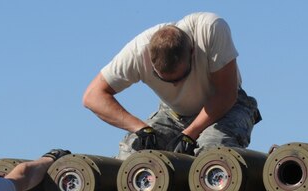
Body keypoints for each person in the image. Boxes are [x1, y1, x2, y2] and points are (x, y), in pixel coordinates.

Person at [83, 12, 261, 159]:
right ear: (150, 63)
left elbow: (226, 94)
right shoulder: (137, 52)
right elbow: (93, 96)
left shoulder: (210, 29)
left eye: (181, 77)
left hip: (226, 108)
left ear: (192, 52)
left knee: (212, 154)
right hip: (173, 114)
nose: (175, 86)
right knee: (134, 155)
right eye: (167, 80)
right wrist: (140, 128)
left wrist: (191, 133)